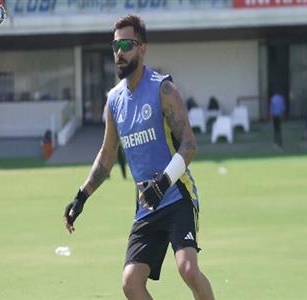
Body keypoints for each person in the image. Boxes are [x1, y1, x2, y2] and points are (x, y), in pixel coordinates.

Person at [63, 15, 215, 300]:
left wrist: (163, 182)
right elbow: (107, 156)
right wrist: (81, 196)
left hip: (176, 194)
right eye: (115, 45)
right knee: (130, 282)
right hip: (147, 205)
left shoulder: (163, 90)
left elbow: (190, 145)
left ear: (142, 48)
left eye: (126, 44)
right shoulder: (114, 101)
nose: (119, 52)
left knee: (188, 269)